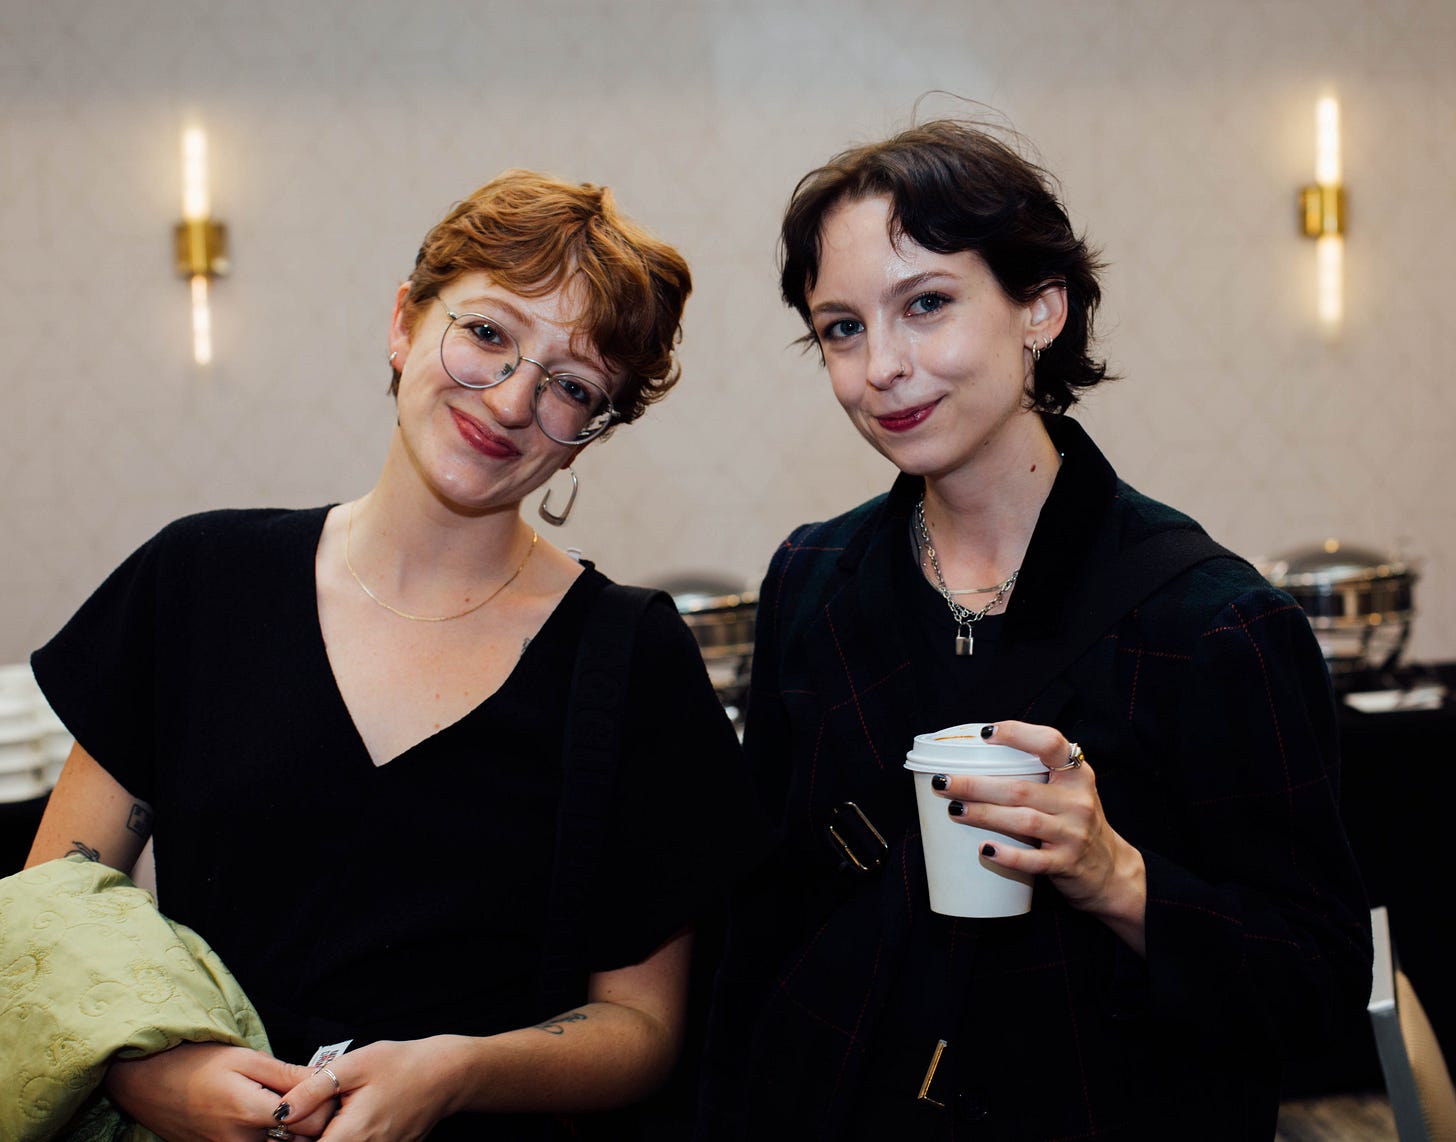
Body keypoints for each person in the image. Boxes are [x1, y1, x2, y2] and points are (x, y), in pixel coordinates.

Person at [25, 169, 751, 1141]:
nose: (509, 400)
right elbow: (56, 919)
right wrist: (153, 1073)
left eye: (571, 384)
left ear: (587, 434)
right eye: (488, 333)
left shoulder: (630, 658)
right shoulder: (199, 581)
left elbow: (642, 1023)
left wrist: (459, 1069)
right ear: (406, 322)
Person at [696, 120, 1373, 1140]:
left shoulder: (1215, 621)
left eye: (925, 304)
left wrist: (1117, 876)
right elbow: (757, 928)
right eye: (840, 328)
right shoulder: (813, 581)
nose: (880, 366)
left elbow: (1316, 982)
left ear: (1039, 311)